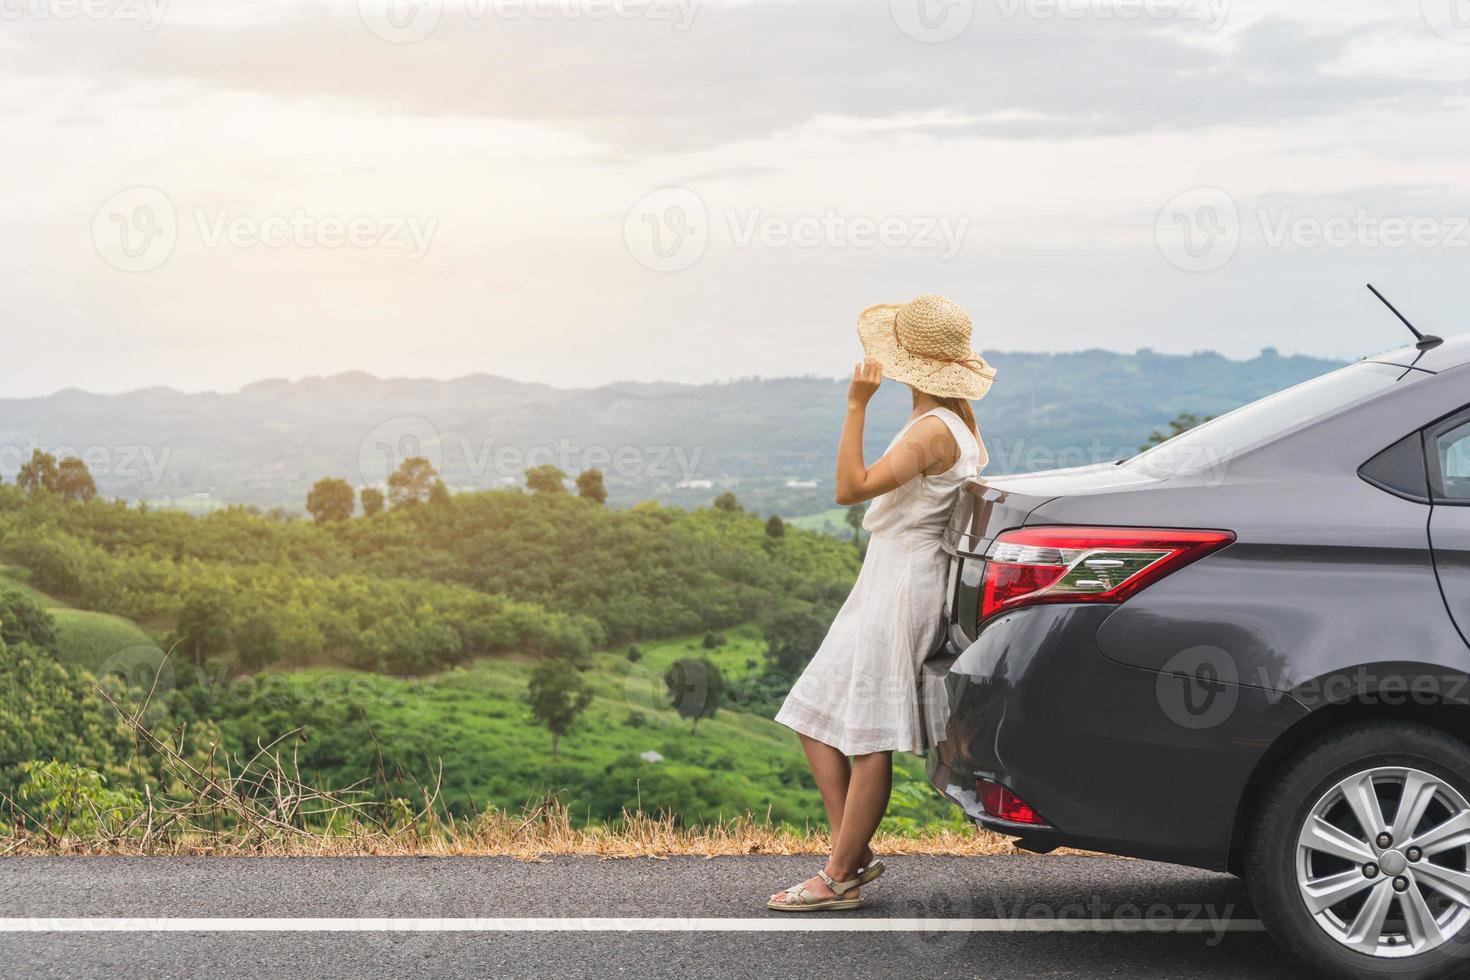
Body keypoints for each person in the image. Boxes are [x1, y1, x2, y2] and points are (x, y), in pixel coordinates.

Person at [769, 294, 994, 912]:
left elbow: (849, 489)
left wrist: (854, 405)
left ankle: (838, 877)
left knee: (867, 738)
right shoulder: (954, 423)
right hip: (889, 578)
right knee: (814, 714)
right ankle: (854, 853)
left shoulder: (929, 431)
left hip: (902, 585)